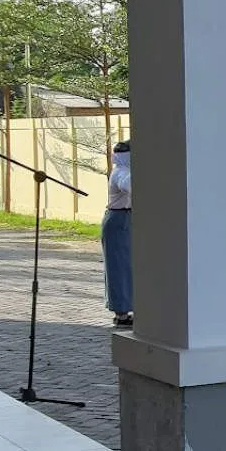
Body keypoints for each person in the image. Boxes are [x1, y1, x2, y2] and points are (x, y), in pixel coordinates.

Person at [102, 140, 133, 329]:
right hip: (118, 220)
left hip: (127, 218)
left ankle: (128, 307)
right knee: (119, 266)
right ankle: (121, 312)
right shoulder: (121, 173)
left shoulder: (124, 171)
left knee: (129, 265)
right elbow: (128, 185)